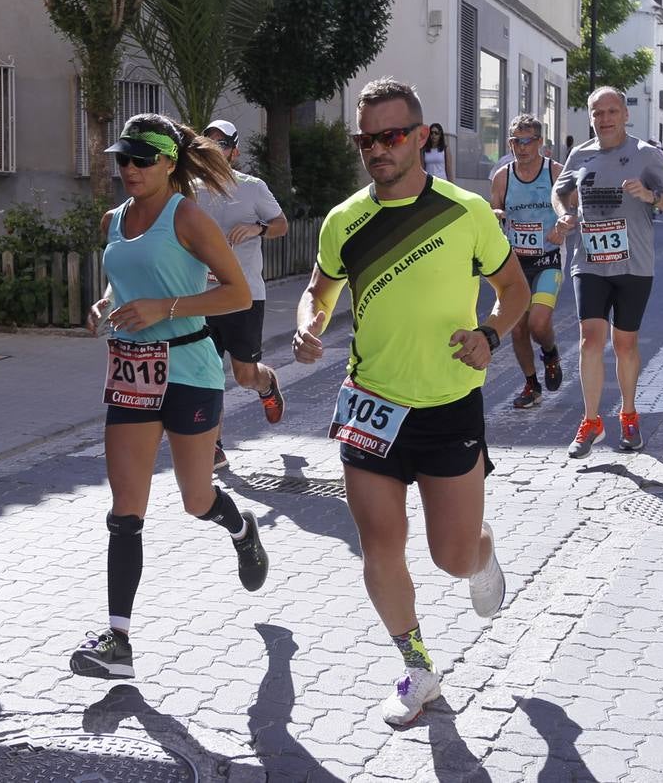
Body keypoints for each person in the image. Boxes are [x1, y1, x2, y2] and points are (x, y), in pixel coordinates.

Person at [293, 78, 530, 726]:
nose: (376, 149)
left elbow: (512, 288)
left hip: (448, 405)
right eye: (364, 139)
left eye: (390, 136)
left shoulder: (464, 212)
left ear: (421, 138)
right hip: (369, 404)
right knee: (379, 546)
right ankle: (416, 668)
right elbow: (318, 288)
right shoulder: (345, 220)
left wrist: (489, 335)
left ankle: (481, 551)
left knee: (448, 556)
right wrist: (309, 323)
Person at [69, 114, 269, 680]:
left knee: (196, 499)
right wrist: (105, 302)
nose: (128, 169)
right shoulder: (115, 219)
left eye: (141, 159)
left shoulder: (189, 217)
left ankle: (240, 529)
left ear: (169, 163)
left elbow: (235, 294)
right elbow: (125, 275)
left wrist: (165, 308)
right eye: (122, 160)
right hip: (132, 370)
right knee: (124, 512)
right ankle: (118, 641)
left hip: (188, 368)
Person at [552, 87, 663, 458]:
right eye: (598, 113)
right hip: (589, 261)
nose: (606, 119)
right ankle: (592, 421)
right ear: (590, 117)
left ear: (626, 115)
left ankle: (628, 414)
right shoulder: (579, 154)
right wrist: (564, 214)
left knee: (625, 343)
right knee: (589, 338)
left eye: (612, 111)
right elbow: (560, 190)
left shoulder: (646, 155)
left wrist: (652, 197)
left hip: (634, 264)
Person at [199, 119, 289, 471]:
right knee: (205, 374)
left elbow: (281, 225)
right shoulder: (188, 189)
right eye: (210, 142)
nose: (216, 149)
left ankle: (266, 384)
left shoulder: (252, 188)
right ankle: (214, 446)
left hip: (244, 296)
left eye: (223, 144)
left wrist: (258, 227)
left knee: (244, 375)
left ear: (235, 152)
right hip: (201, 296)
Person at [489, 114, 568, 410]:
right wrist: (495, 214)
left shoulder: (555, 172)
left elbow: (571, 208)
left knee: (537, 322)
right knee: (518, 328)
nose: (521, 148)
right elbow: (494, 207)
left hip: (548, 259)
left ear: (540, 143)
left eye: (527, 141)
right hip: (515, 264)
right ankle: (531, 384)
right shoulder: (503, 176)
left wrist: (563, 225)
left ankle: (550, 353)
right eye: (515, 141)